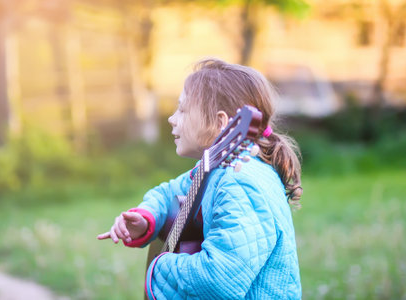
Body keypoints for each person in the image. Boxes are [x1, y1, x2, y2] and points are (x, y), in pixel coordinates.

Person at [97, 58, 303, 299]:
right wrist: (146, 218)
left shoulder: (240, 180)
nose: (172, 119)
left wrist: (158, 266)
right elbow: (168, 193)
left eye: (183, 110)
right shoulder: (215, 168)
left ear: (221, 123)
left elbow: (219, 280)